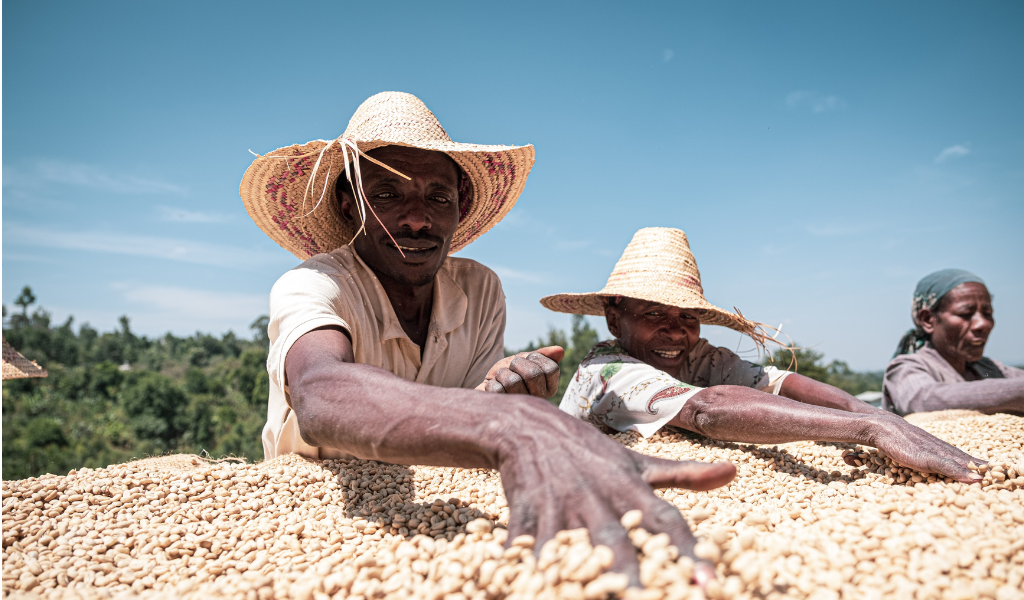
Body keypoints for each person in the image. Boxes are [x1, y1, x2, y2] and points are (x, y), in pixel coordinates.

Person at [239, 93, 736, 586]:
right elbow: (320, 389)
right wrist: (507, 421)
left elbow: (465, 412)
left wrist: (503, 392)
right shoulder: (314, 284)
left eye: (438, 197)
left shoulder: (478, 290)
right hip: (322, 512)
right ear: (350, 207)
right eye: (388, 195)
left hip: (440, 497)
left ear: (461, 205)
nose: (416, 218)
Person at [537, 227, 984, 483]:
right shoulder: (608, 368)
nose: (675, 330)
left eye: (688, 316)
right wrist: (866, 428)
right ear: (616, 321)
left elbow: (777, 384)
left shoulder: (698, 358)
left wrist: (882, 419)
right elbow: (707, 409)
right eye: (654, 314)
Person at [883, 269, 1024, 416]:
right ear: (927, 320)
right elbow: (924, 400)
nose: (982, 324)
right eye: (965, 314)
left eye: (987, 313)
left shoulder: (990, 369)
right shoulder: (906, 368)